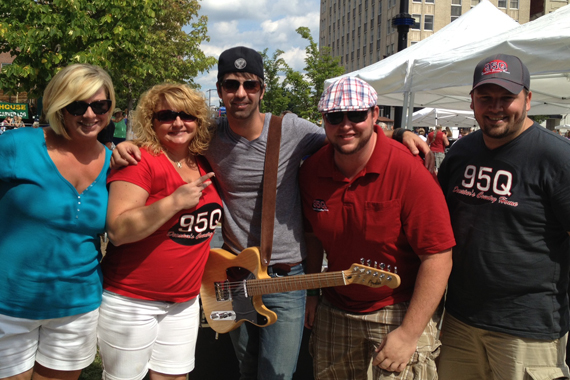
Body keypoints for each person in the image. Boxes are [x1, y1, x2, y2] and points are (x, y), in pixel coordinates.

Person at [111, 46, 433, 380]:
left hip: (287, 277)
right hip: (234, 273)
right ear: (220, 90)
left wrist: (400, 132)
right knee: (245, 367)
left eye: (249, 84)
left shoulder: (290, 130)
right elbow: (168, 141)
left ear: (262, 90)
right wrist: (124, 145)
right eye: (231, 85)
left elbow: (345, 133)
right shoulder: (208, 139)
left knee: (277, 373)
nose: (240, 93)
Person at [300, 77, 455, 380]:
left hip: (398, 309)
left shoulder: (408, 171)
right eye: (335, 117)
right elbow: (311, 236)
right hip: (336, 307)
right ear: (324, 121)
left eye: (356, 115)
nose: (346, 125)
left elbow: (438, 257)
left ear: (374, 116)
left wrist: (409, 334)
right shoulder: (311, 171)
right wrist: (312, 292)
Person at [437, 54, 570, 379]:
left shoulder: (556, 157)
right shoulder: (461, 152)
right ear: (472, 101)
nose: (495, 106)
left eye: (506, 98)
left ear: (527, 98)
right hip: (458, 322)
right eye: (485, 97)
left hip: (527, 328)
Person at [97, 83, 222, 380]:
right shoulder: (139, 160)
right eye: (166, 115)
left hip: (184, 302)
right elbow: (118, 230)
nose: (178, 122)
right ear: (151, 122)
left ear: (199, 120)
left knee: (174, 377)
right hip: (132, 299)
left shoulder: (203, 161)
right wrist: (175, 202)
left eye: (187, 114)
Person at [0, 64, 114, 380]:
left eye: (99, 105)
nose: (90, 114)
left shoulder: (114, 163)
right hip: (9, 303)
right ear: (59, 106)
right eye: (78, 105)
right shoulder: (17, 145)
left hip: (76, 307)